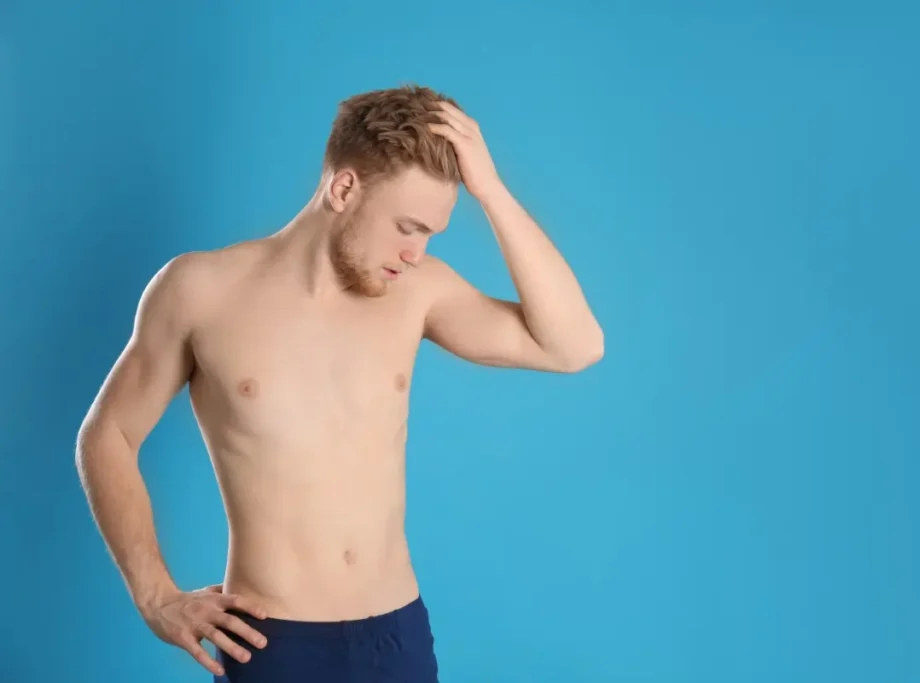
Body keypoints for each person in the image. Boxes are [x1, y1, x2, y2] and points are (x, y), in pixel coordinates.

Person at [74, 84, 603, 682]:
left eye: (430, 234)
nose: (415, 253)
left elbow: (574, 347)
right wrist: (155, 595)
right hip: (274, 642)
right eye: (407, 227)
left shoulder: (419, 291)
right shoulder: (201, 290)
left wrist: (492, 192)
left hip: (396, 637)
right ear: (344, 189)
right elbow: (109, 434)